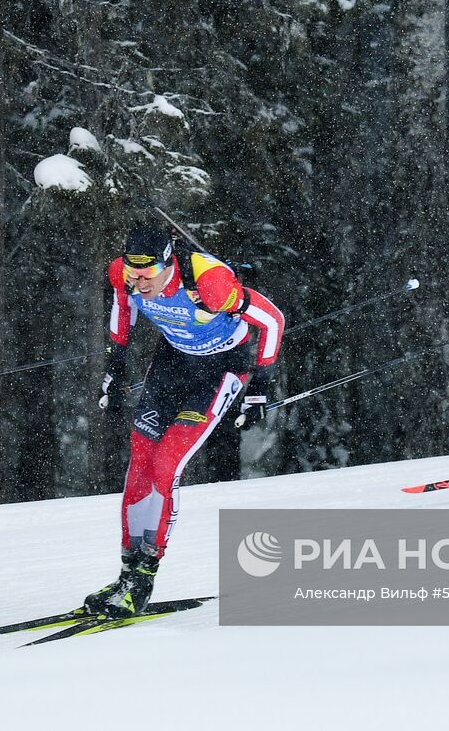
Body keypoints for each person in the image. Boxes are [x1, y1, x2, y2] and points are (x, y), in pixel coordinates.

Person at [86, 221, 285, 617]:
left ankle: (144, 577)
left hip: (223, 367)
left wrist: (261, 383)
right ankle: (127, 572)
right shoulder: (123, 275)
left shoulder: (209, 283)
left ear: (167, 264)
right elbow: (121, 311)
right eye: (133, 274)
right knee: (139, 462)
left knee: (166, 463)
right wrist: (115, 363)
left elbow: (273, 320)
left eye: (148, 276)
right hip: (173, 364)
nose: (140, 284)